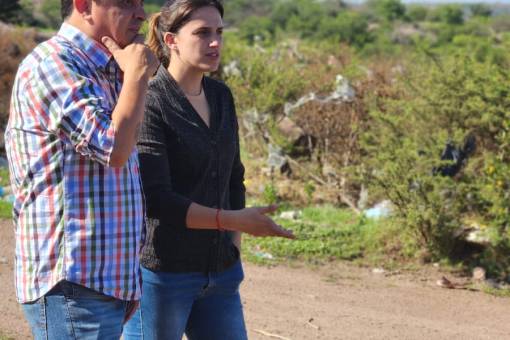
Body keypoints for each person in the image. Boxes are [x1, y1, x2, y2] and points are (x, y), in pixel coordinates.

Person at [122, 0, 295, 339]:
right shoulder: (152, 100)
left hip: (221, 273)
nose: (215, 42)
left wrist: (232, 245)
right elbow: (158, 200)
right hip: (164, 275)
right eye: (202, 33)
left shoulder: (220, 96)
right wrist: (233, 220)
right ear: (171, 40)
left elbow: (234, 176)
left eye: (219, 32)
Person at [5, 0, 158, 338]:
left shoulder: (109, 68)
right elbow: (114, 149)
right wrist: (136, 75)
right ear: (84, 5)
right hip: (73, 284)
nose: (141, 14)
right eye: (126, 2)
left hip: (99, 284)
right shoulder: (54, 63)